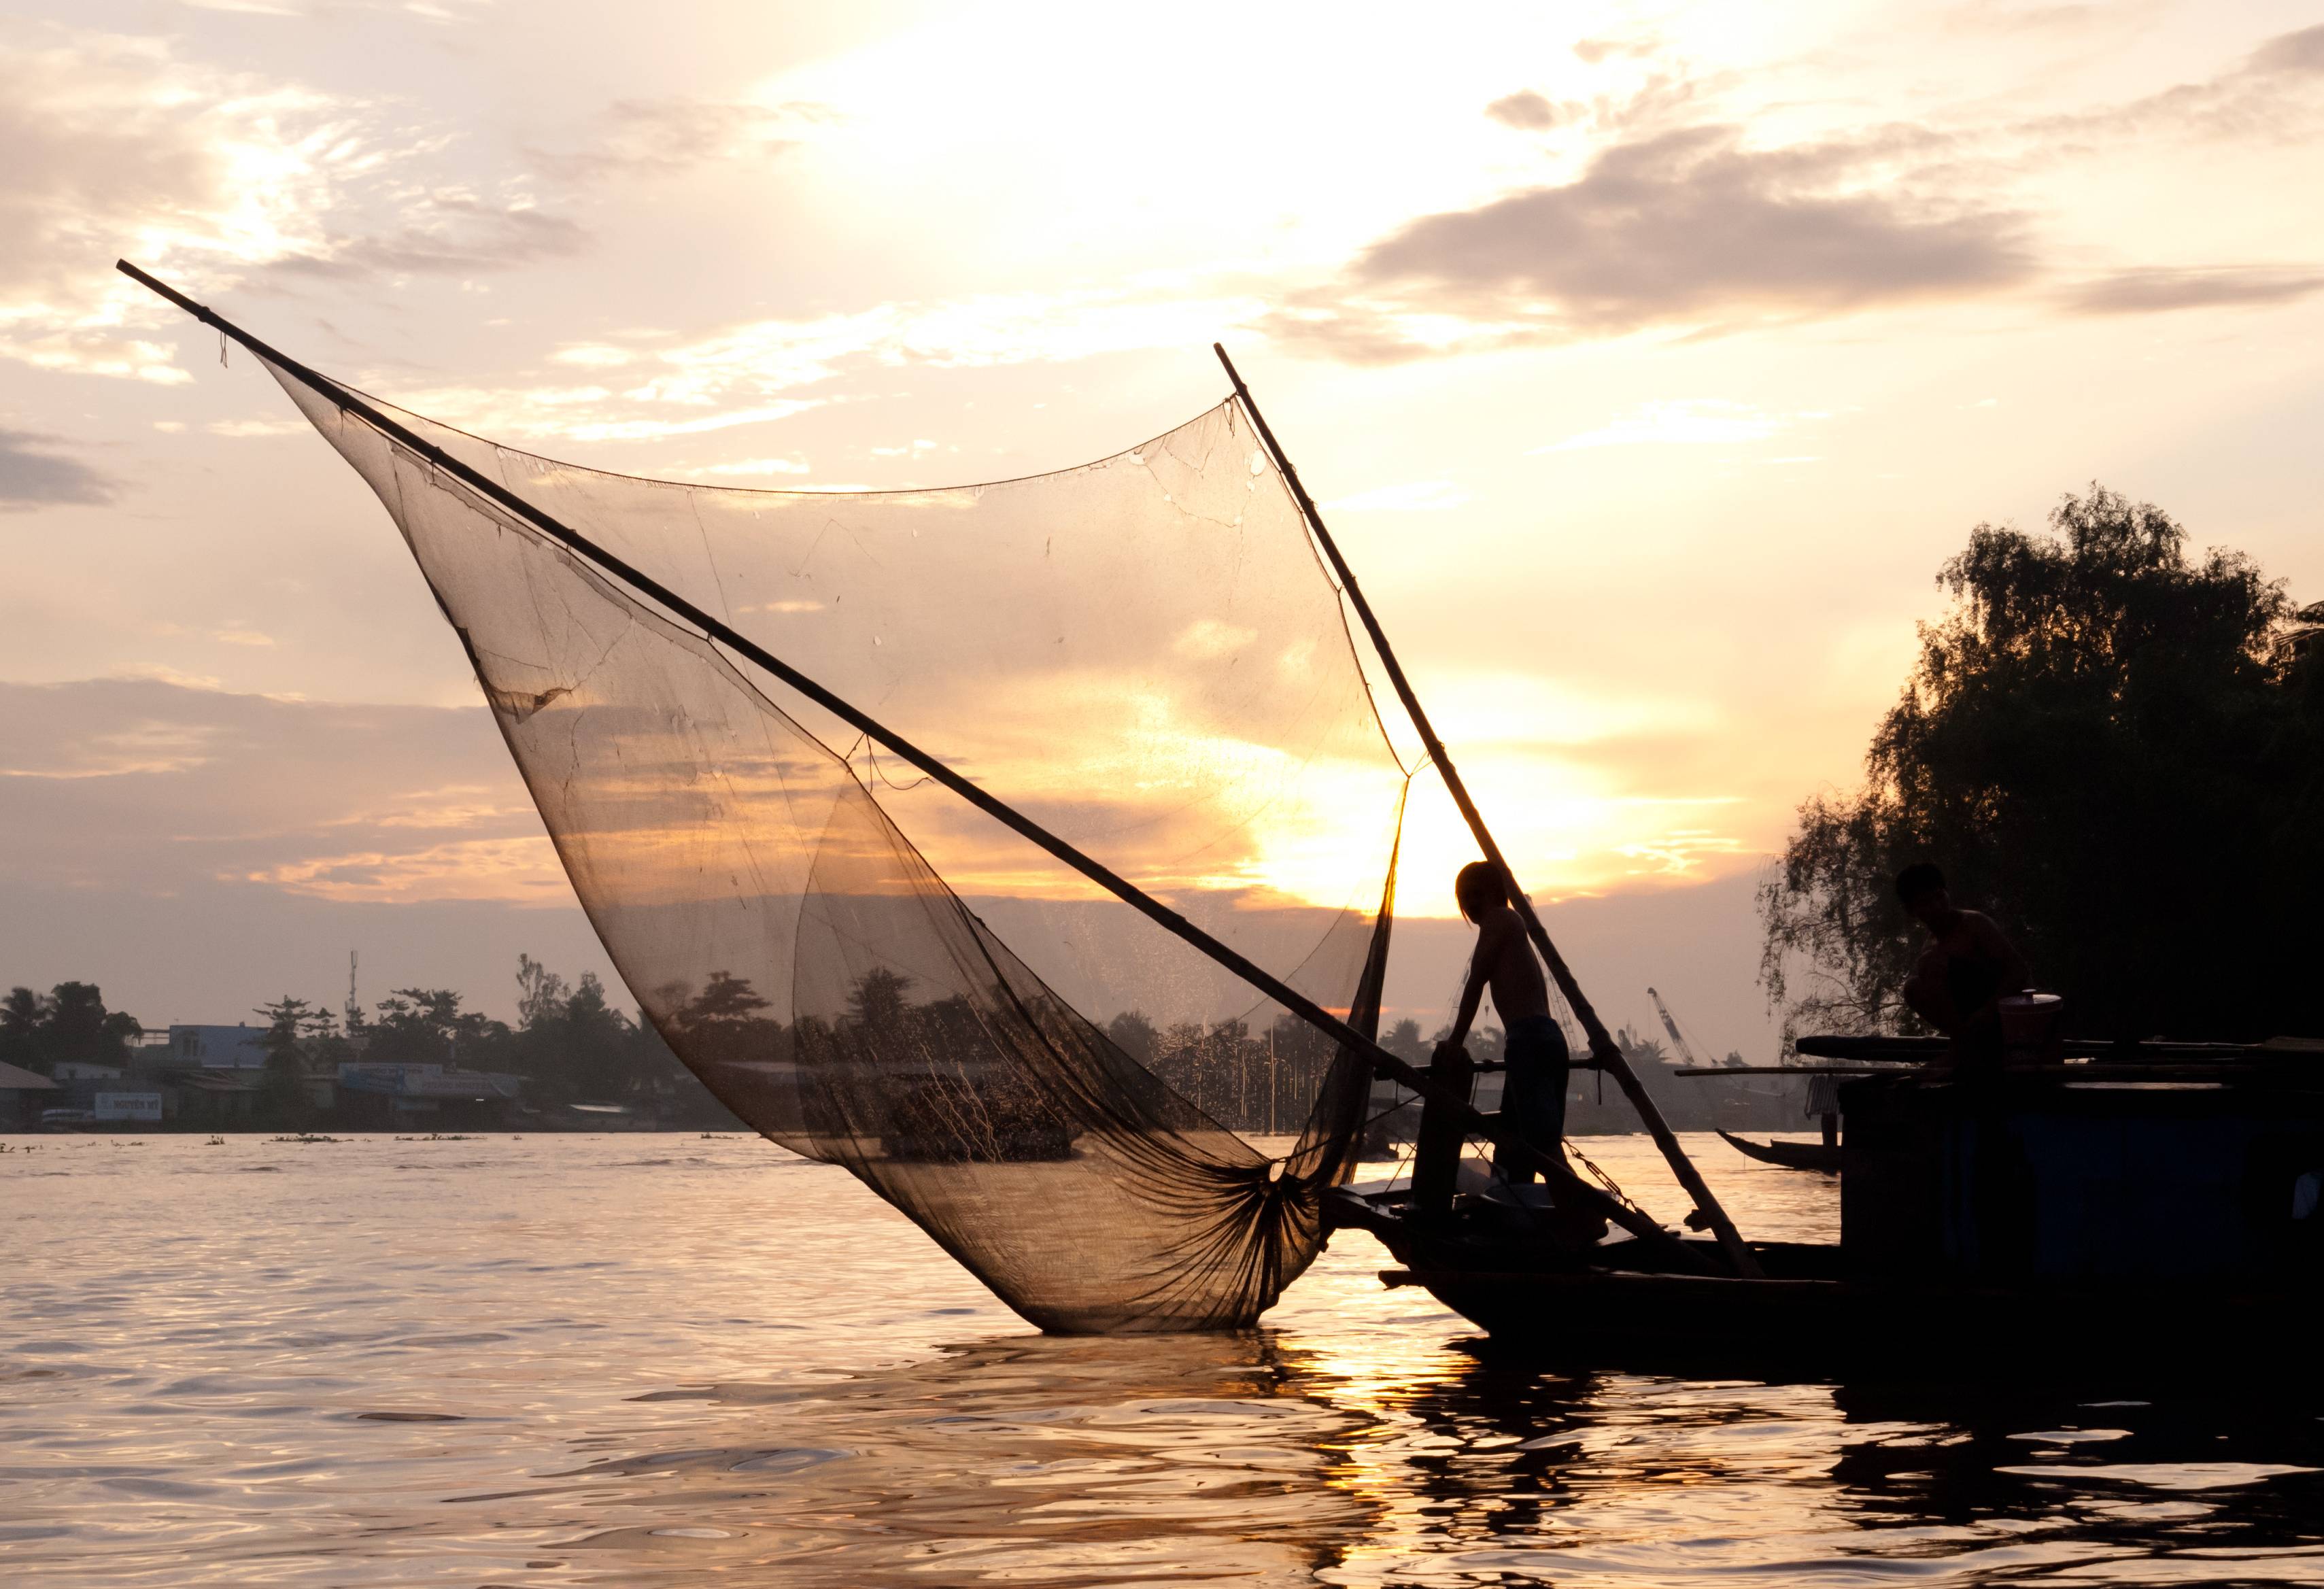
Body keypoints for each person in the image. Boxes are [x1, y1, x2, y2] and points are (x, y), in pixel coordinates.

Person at [1439, 859, 1569, 1180]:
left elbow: (1474, 983)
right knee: (1517, 1138)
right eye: (1463, 898)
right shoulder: (1511, 926)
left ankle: (1581, 1217)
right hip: (1541, 1038)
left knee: (1544, 1146)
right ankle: (1518, 1206)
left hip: (1530, 1039)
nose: (1470, 905)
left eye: (1476, 896)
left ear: (1497, 894)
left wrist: (1455, 1043)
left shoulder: (1500, 920)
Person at [1896, 862, 2031, 1048]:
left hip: (2004, 1017)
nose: (1937, 906)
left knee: (1930, 963)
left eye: (1939, 896)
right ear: (1911, 910)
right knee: (1912, 987)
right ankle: (1966, 1046)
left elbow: (2019, 972)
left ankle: (1964, 1050)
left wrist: (1987, 1011)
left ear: (1946, 892)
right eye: (1926, 902)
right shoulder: (1930, 945)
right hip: (1972, 1028)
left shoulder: (1975, 924)